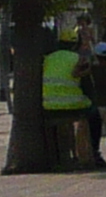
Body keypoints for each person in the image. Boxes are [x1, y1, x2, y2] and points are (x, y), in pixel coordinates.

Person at [41, 37, 96, 165]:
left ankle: (61, 158)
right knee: (90, 119)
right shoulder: (78, 58)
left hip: (49, 105)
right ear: (74, 45)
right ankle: (87, 156)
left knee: (59, 128)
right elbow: (87, 85)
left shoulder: (48, 59)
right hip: (74, 105)